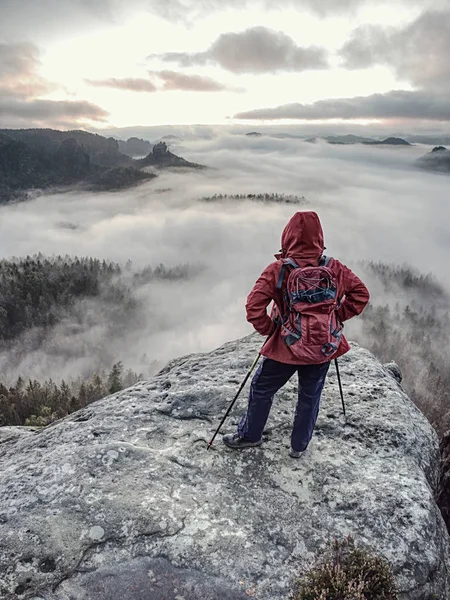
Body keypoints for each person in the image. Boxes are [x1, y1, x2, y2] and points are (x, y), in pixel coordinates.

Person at [223, 211, 369, 458]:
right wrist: (335, 318)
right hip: (323, 347)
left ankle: (250, 435)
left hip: (286, 346)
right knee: (310, 396)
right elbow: (361, 295)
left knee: (261, 388)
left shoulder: (278, 270)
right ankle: (299, 447)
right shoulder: (334, 269)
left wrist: (270, 330)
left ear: (287, 237)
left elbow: (253, 307)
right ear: (320, 239)